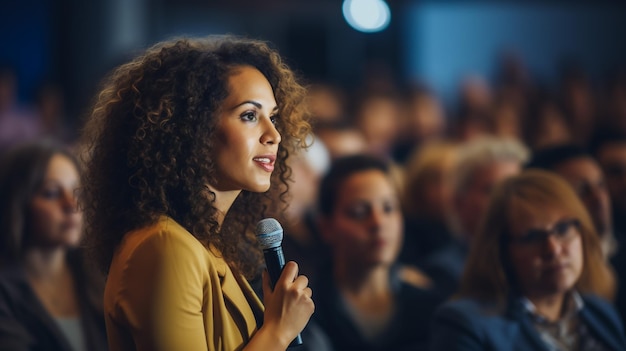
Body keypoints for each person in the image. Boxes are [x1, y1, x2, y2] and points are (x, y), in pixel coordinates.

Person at [79, 36, 314, 350]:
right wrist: (278, 332)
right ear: (192, 127)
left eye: (272, 117)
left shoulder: (208, 246)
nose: (274, 134)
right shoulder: (164, 247)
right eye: (249, 115)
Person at [430, 170, 624, 351]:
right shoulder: (465, 324)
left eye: (563, 229)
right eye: (532, 237)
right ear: (501, 250)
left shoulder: (600, 310)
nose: (553, 249)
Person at [313, 154, 442, 351]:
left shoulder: (429, 306)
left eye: (389, 208)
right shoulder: (308, 311)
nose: (378, 223)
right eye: (358, 212)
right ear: (326, 227)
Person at [0, 140, 107, 351]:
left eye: (77, 192)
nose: (71, 204)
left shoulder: (98, 277)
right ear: (16, 203)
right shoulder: (5, 292)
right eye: (51, 193)